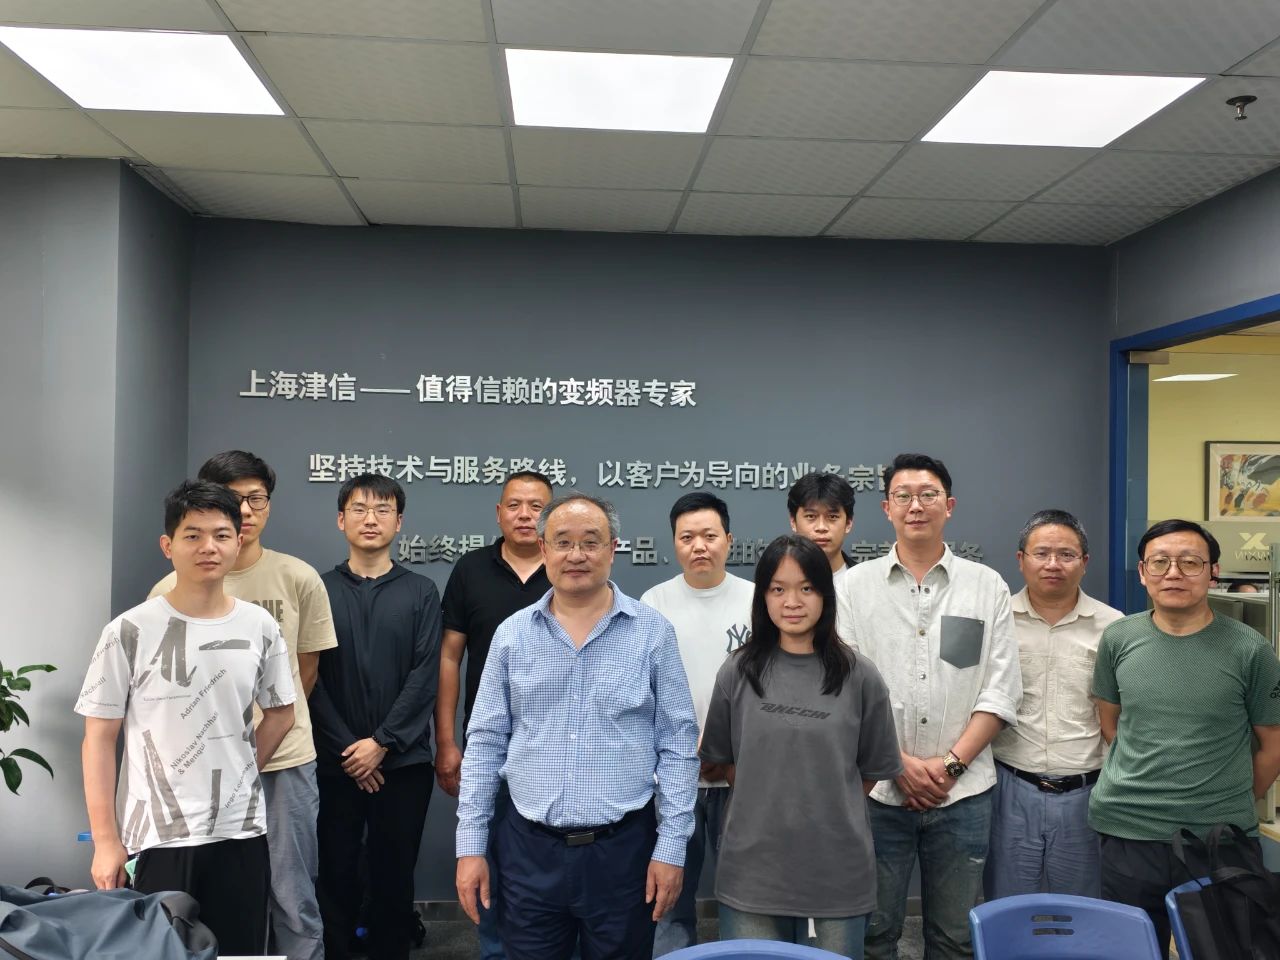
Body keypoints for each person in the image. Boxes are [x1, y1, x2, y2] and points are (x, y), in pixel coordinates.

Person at [456, 492, 699, 960]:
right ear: (543, 549)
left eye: (590, 542)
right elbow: (485, 744)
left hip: (623, 852)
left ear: (612, 549)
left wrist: (670, 848)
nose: (576, 555)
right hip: (528, 851)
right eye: (563, 542)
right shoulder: (512, 635)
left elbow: (677, 744)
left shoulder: (652, 633)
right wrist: (470, 847)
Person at [78, 481, 296, 955]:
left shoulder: (260, 626)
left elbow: (282, 713)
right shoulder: (129, 631)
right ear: (168, 546)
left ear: (238, 542)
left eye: (221, 535)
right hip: (157, 838)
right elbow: (98, 738)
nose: (208, 547)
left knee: (238, 952)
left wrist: (241, 773)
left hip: (240, 831)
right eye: (192, 535)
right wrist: (105, 841)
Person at [150, 450, 334, 960]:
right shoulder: (167, 589)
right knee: (205, 897)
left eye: (257, 499)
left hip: (285, 761)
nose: (246, 510)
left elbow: (305, 668)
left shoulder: (298, 577)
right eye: (234, 500)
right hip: (198, 772)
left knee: (294, 894)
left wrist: (263, 737)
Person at [835, 453, 1020, 960]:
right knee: (873, 936)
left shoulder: (987, 586)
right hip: (877, 792)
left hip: (964, 794)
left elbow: (1001, 688)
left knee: (954, 938)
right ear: (886, 508)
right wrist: (896, 765)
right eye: (903, 496)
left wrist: (950, 765)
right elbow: (844, 689)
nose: (915, 505)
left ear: (949, 505)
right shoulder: (851, 588)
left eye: (928, 495)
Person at [701, 535, 901, 958]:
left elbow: (868, 772)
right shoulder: (737, 671)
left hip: (836, 871)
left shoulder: (860, 676)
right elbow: (723, 762)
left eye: (806, 588)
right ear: (763, 596)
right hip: (752, 870)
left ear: (825, 594)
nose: (792, 601)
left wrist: (825, 799)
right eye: (778, 589)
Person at [1089, 518, 1280, 954]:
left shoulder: (1250, 649)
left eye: (1190, 562)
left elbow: (1273, 744)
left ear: (1213, 572)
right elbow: (1112, 724)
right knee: (1131, 951)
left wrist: (1225, 798)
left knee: (1225, 948)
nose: (1173, 573)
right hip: (1128, 830)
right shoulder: (1119, 638)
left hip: (1218, 838)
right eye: (1160, 562)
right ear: (1143, 572)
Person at [310, 473, 442, 960]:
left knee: (394, 875)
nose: (371, 519)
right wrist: (351, 750)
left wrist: (382, 743)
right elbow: (310, 679)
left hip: (403, 764)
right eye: (360, 509)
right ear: (341, 519)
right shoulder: (317, 589)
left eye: (383, 510)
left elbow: (425, 675)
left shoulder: (422, 591)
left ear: (399, 522)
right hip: (335, 763)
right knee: (335, 872)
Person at [436, 470, 554, 959]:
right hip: (489, 744)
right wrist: (447, 742)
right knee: (487, 861)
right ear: (499, 513)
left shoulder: (567, 567)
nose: (525, 515)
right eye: (515, 505)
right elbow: (449, 658)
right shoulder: (471, 570)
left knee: (549, 866)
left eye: (537, 506)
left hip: (554, 747)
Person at [985, 509, 1122, 899]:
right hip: (1009, 789)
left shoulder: (1115, 627)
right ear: (1021, 559)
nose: (1053, 564)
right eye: (1041, 553)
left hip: (1087, 791)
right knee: (1009, 906)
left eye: (1066, 555)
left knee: (1081, 910)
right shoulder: (995, 620)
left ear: (1084, 562)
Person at [640, 492, 754, 956]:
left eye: (709, 535)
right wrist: (690, 748)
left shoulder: (756, 599)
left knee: (746, 895)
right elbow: (643, 691)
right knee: (667, 896)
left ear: (729, 539)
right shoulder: (654, 602)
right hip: (672, 776)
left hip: (742, 775)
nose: (699, 546)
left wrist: (721, 747)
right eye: (687, 537)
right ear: (674, 543)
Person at [788, 472, 856, 577]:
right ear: (793, 522)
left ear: (848, 523)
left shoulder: (867, 581)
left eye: (832, 517)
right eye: (810, 516)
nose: (821, 527)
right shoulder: (774, 581)